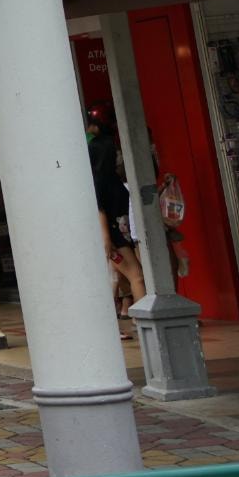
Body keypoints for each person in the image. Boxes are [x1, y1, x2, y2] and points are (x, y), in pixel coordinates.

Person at [87, 111, 145, 324]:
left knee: (122, 278)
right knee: (136, 276)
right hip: (115, 237)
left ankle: (125, 319)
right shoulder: (109, 183)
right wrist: (106, 239)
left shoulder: (103, 181)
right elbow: (100, 209)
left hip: (116, 236)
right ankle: (141, 322)